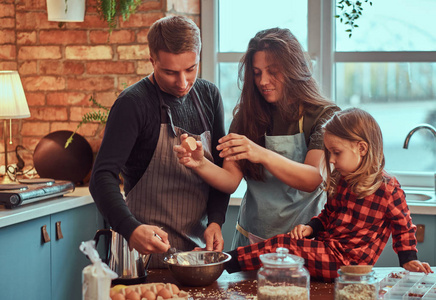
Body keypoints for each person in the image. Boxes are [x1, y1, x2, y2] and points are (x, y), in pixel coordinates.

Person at [223, 108, 433, 282]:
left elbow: (404, 227)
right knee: (284, 249)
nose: (331, 159)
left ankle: (224, 261)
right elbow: (327, 215)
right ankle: (228, 262)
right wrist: (310, 228)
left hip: (348, 265)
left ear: (362, 148)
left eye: (337, 152)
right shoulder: (342, 180)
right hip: (328, 250)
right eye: (329, 152)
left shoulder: (388, 189)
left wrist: (408, 259)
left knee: (283, 247)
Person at [174, 27, 339, 247]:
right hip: (252, 239)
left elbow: (312, 179)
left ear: (293, 69)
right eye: (257, 72)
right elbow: (230, 181)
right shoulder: (246, 116)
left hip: (306, 240)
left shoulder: (324, 115)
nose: (263, 81)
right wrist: (200, 163)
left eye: (273, 71)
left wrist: (260, 153)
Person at [89, 15, 230, 268]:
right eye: (170, 72)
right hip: (140, 257)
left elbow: (221, 170)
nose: (183, 82)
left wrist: (216, 221)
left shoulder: (209, 96)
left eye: (191, 68)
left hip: (197, 256)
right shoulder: (132, 104)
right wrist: (130, 229)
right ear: (152, 60)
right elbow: (101, 177)